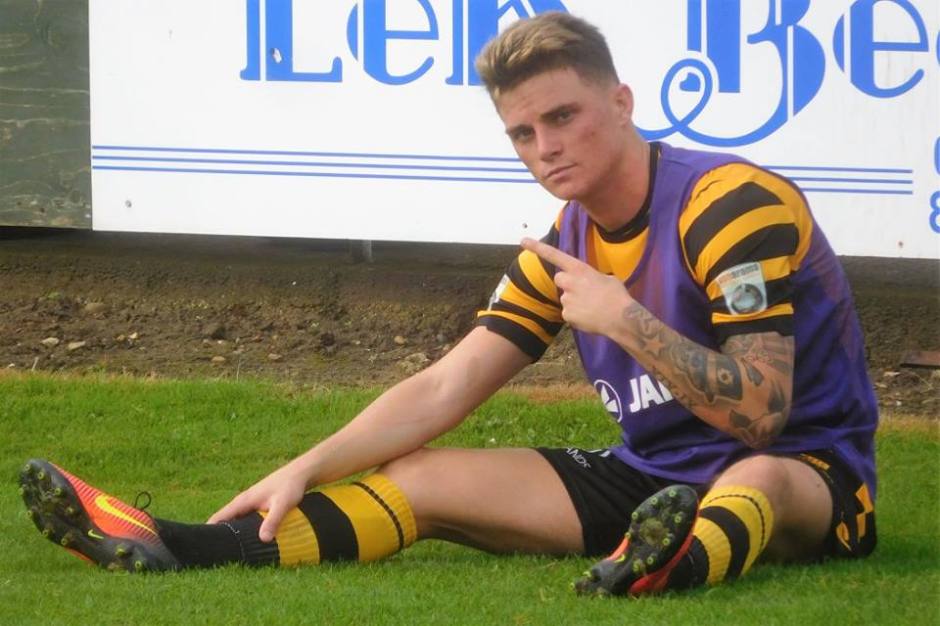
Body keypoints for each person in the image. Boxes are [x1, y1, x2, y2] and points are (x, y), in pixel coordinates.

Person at [20, 12, 877, 595]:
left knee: (758, 479)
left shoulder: (727, 204)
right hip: (653, 479)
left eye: (563, 117)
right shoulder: (562, 245)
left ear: (621, 104)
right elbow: (445, 385)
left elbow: (762, 416)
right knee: (420, 477)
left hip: (809, 477)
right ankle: (182, 547)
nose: (545, 148)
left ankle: (667, 567)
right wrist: (307, 466)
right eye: (523, 133)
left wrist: (624, 319)